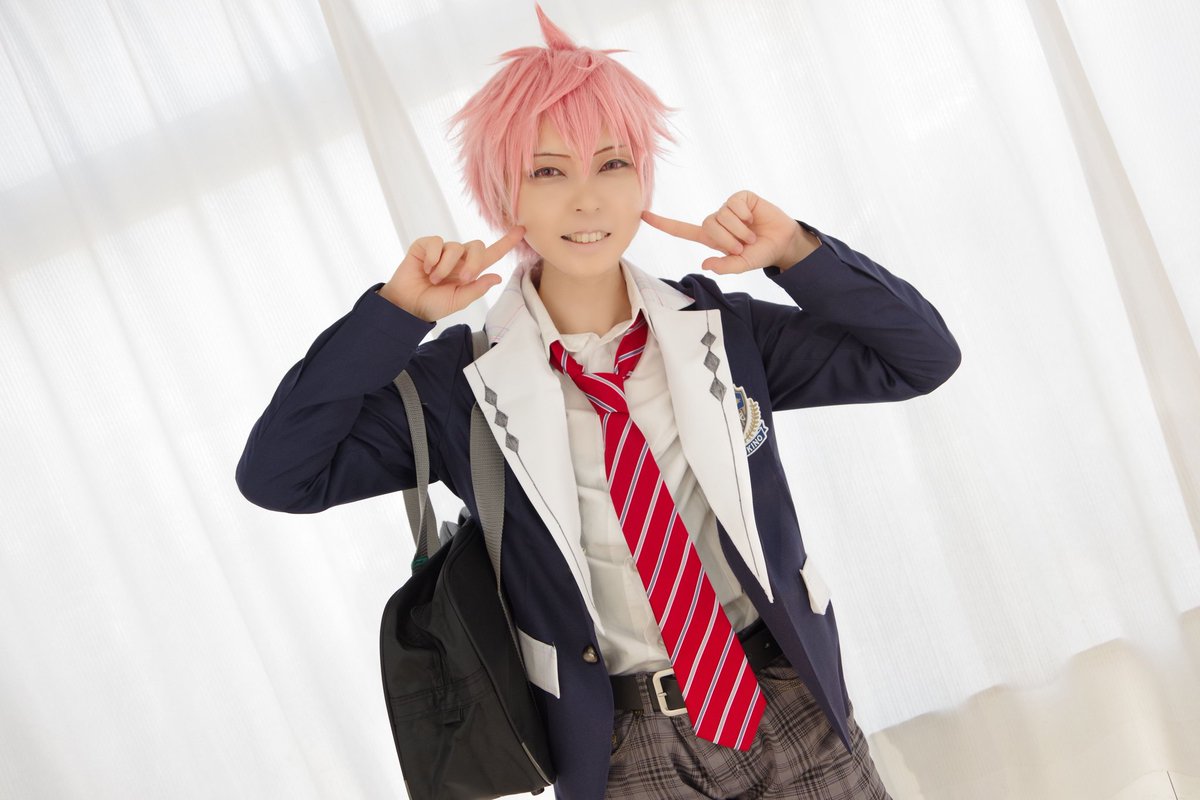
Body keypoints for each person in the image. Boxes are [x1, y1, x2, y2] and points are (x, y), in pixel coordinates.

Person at [236, 4, 961, 798]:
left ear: (642, 178)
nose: (587, 201)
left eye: (612, 164)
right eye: (548, 172)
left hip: (787, 701)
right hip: (617, 745)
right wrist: (394, 316)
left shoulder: (722, 329)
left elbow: (920, 358)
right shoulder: (458, 382)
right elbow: (279, 476)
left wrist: (794, 251)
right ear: (503, 195)